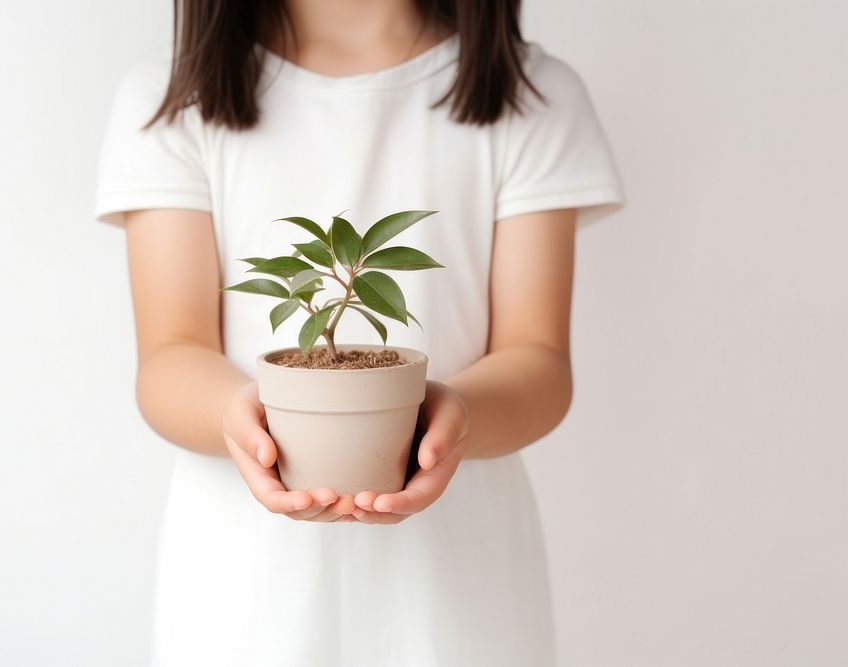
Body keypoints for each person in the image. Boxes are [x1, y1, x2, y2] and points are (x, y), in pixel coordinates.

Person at [92, 1, 624, 664]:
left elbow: (538, 358)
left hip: (459, 593)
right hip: (244, 592)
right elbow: (171, 354)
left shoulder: (530, 95)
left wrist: (453, 417)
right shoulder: (174, 98)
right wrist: (242, 418)